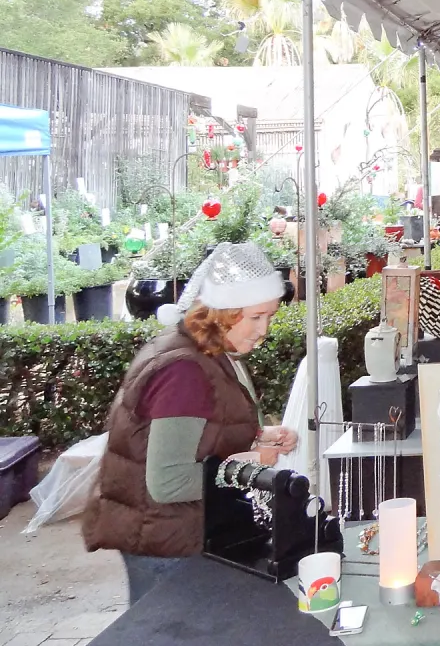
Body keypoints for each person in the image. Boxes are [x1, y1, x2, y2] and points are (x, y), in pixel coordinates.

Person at [83, 243, 295, 603]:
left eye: (270, 317)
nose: (264, 329)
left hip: (172, 534)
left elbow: (199, 434)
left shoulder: (202, 350)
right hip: (166, 543)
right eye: (256, 316)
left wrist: (256, 438)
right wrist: (251, 464)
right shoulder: (184, 371)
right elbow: (168, 482)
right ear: (223, 312)